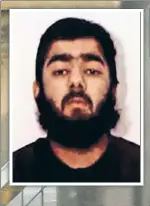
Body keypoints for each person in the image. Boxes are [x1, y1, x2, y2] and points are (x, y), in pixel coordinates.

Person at [12, 17, 140, 184]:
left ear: (114, 89)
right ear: (37, 90)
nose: (76, 82)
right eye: (61, 71)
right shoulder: (14, 172)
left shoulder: (142, 167)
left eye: (91, 71)